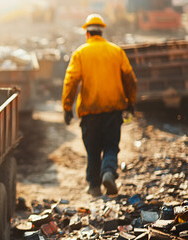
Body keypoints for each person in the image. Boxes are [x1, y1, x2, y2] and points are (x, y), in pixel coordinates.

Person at [61, 14, 137, 197]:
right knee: (111, 146)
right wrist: (130, 102)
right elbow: (130, 79)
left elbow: (70, 81)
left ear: (87, 34)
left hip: (90, 112)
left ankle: (94, 186)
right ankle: (109, 172)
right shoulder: (116, 51)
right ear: (102, 32)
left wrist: (67, 107)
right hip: (113, 110)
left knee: (92, 149)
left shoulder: (80, 53)